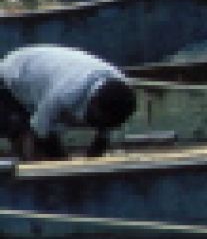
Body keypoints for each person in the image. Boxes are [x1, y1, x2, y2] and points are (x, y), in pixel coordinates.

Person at [0, 46, 139, 161]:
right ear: (94, 105)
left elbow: (104, 135)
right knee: (26, 139)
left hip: (48, 75)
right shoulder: (64, 93)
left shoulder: (121, 90)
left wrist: (93, 158)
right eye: (100, 120)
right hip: (16, 73)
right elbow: (38, 131)